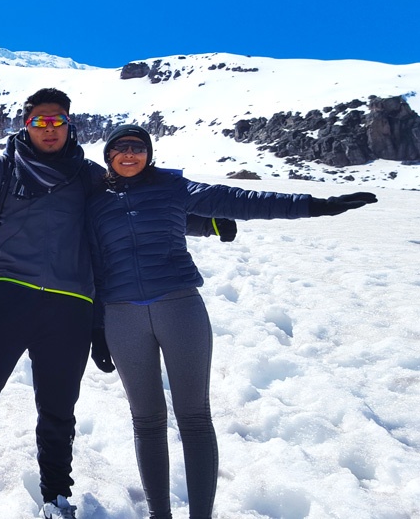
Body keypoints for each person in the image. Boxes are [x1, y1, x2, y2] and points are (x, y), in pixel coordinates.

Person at [0, 89, 229, 519]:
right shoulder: (4, 169)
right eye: (40, 121)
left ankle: (56, 497)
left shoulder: (89, 176)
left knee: (59, 406)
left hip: (70, 305)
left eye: (57, 120)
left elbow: (139, 208)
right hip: (8, 295)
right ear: (26, 124)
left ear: (69, 125)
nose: (49, 128)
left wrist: (207, 223)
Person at [86, 124, 377, 519]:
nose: (129, 154)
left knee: (193, 417)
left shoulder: (175, 187)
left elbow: (240, 200)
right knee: (147, 420)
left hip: (179, 307)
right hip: (121, 316)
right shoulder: (94, 199)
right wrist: (95, 326)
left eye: (138, 147)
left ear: (149, 154)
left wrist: (315, 205)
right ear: (108, 156)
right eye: (120, 147)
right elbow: (87, 257)